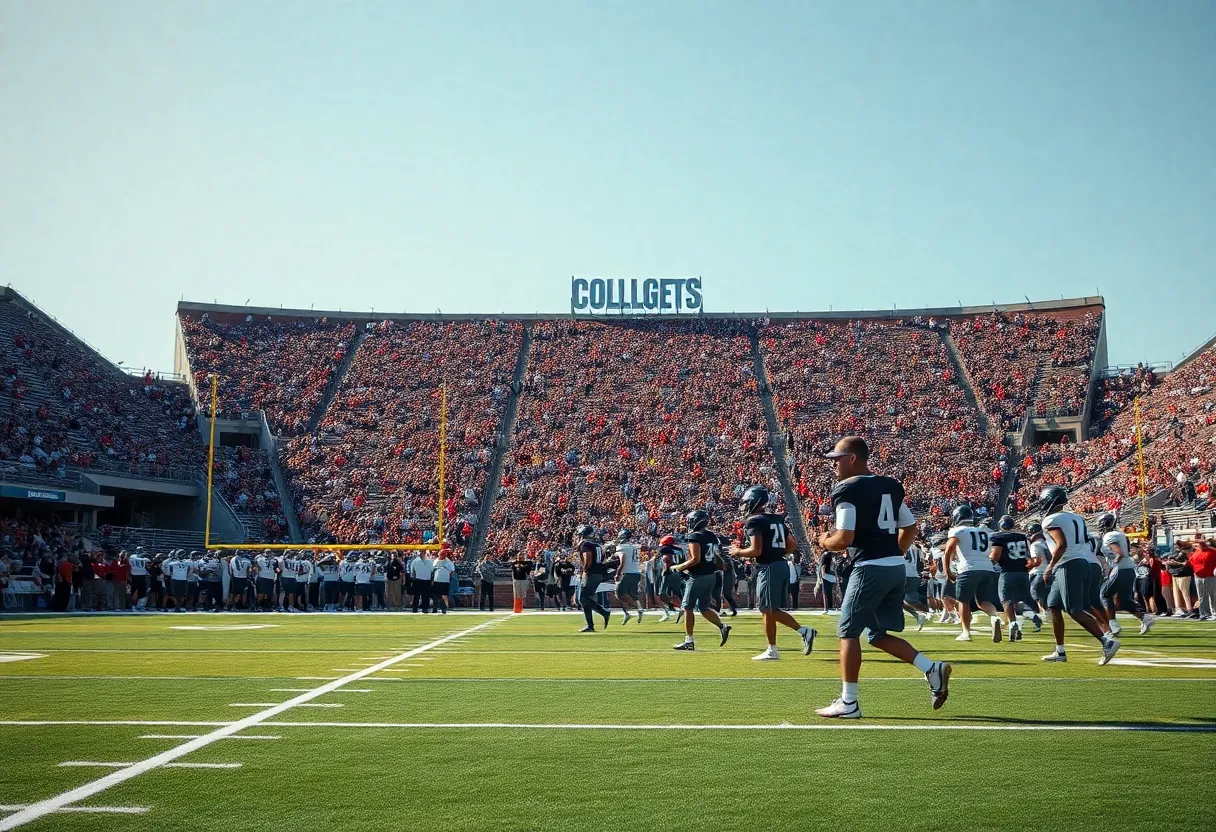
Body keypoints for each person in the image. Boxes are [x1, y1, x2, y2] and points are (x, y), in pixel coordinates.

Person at [815, 436, 950, 720]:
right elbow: (910, 526)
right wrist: (894, 552)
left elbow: (844, 538)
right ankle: (931, 668)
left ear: (852, 458)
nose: (833, 466)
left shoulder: (847, 488)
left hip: (869, 566)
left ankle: (849, 702)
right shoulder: (890, 485)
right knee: (876, 634)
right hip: (893, 566)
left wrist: (824, 541)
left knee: (848, 632)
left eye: (836, 459)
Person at [1037, 485, 1121, 665]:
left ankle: (1107, 641)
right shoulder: (1076, 517)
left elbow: (1061, 545)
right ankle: (1060, 651)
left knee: (1074, 608)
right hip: (1081, 561)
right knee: (1053, 605)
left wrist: (1049, 567)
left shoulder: (1050, 519)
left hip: (1069, 563)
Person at [732, 485, 815, 661]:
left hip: (769, 567)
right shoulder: (777, 519)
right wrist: (778, 553)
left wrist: (737, 552)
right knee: (771, 609)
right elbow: (792, 544)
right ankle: (804, 632)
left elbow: (755, 550)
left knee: (766, 609)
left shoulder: (754, 521)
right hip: (780, 565)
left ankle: (772, 650)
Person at [670, 510, 731, 651]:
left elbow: (695, 559)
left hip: (698, 576)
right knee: (704, 608)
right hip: (711, 575)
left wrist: (678, 567)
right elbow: (717, 557)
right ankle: (723, 626)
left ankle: (689, 641)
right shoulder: (711, 536)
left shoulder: (694, 536)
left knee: (687, 607)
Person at [942, 505, 1003, 642]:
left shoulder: (957, 530)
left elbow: (949, 550)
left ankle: (966, 632)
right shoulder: (984, 532)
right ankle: (995, 616)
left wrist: (948, 570)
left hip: (968, 568)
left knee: (963, 601)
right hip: (987, 568)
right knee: (983, 601)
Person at [1097, 513, 1154, 635]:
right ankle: (1144, 618)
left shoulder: (1109, 536)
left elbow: (1119, 552)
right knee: (1123, 600)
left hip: (1120, 568)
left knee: (1105, 594)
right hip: (1129, 568)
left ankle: (1113, 625)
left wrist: (1115, 562)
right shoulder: (1120, 534)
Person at [989, 515, 1036, 641]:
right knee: (1019, 599)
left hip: (1008, 572)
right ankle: (1020, 624)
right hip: (1023, 572)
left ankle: (1013, 624)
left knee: (1006, 600)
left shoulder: (998, 537)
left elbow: (995, 556)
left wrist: (989, 561)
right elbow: (1028, 555)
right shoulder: (1021, 536)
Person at [577, 525, 611, 632]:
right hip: (598, 573)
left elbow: (588, 558)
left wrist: (585, 570)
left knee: (582, 598)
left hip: (591, 573)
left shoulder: (585, 545)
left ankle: (603, 612)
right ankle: (590, 626)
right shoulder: (596, 545)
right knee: (586, 600)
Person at [613, 529, 643, 623]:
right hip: (636, 573)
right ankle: (630, 611)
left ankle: (636, 608)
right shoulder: (633, 547)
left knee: (619, 593)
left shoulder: (621, 547)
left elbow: (622, 561)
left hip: (627, 573)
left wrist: (618, 573)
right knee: (632, 593)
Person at [655, 535, 685, 622]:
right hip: (678, 573)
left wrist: (665, 570)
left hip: (669, 572)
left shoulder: (665, 549)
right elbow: (683, 562)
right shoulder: (680, 550)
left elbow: (667, 559)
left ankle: (671, 609)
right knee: (675, 593)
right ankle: (678, 608)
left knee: (662, 594)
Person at [902, 536, 928, 631]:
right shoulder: (916, 548)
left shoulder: (900, 544)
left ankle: (919, 613)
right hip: (914, 575)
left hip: (903, 574)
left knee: (894, 598)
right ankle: (918, 615)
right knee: (901, 600)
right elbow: (921, 563)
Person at [1190, 536, 1216, 620]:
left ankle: (1214, 613)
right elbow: (1192, 561)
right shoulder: (1197, 552)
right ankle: (1204, 613)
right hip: (1199, 576)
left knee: (1213, 595)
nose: (1198, 546)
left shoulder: (1212, 551)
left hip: (1210, 576)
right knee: (1202, 596)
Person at [432, 549, 455, 614]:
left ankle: (443, 609)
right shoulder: (436, 560)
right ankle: (435, 608)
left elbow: (453, 570)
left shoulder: (449, 562)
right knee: (435, 595)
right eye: (440, 554)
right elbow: (433, 567)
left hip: (445, 581)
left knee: (444, 595)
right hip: (437, 580)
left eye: (443, 554)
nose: (441, 556)